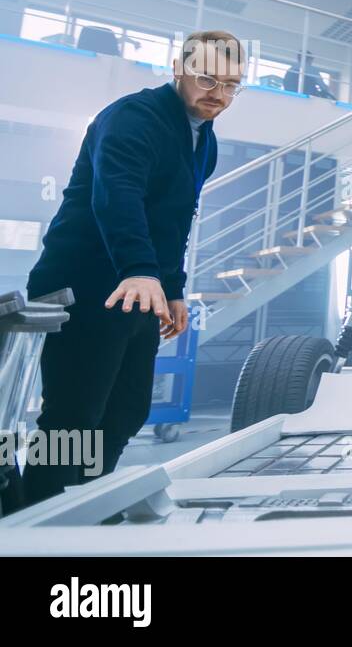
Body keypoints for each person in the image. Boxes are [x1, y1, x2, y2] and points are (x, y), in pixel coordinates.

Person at [21, 30, 242, 506]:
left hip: (136, 284)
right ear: (178, 69)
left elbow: (175, 216)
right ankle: (36, 508)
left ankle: (83, 498)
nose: (219, 96)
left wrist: (173, 286)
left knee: (127, 409)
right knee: (74, 413)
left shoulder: (203, 136)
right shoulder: (131, 118)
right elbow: (117, 197)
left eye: (231, 85)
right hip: (84, 280)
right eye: (207, 79)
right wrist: (141, 270)